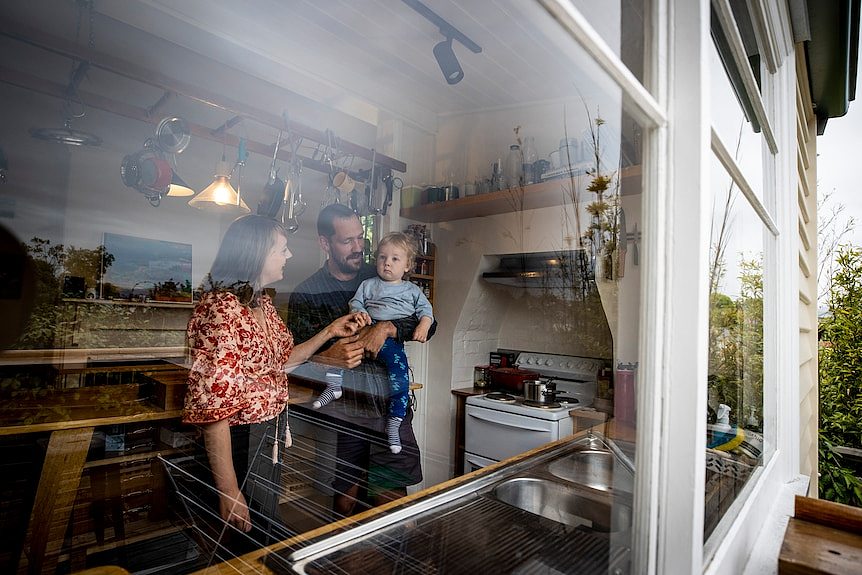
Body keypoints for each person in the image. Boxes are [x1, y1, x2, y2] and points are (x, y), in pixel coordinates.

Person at [182, 214, 368, 549]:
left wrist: (329, 331)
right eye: (282, 249)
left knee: (262, 539)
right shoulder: (220, 311)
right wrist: (228, 490)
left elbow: (281, 359)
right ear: (256, 254)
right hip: (238, 444)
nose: (289, 255)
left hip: (266, 437)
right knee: (248, 544)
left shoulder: (261, 303)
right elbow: (214, 410)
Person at [287, 203, 436, 516]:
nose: (358, 248)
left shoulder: (381, 272)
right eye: (347, 241)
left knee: (392, 498)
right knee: (344, 500)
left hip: (389, 405)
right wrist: (327, 357)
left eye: (361, 239)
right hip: (342, 413)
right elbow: (291, 362)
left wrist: (387, 327)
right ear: (324, 243)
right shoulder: (307, 293)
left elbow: (429, 324)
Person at [312, 232, 433, 455]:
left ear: (407, 265)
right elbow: (356, 302)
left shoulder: (412, 291)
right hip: (363, 332)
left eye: (395, 259)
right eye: (382, 257)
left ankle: (395, 420)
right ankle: (334, 387)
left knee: (400, 374)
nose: (387, 263)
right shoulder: (368, 284)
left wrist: (422, 326)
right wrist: (360, 314)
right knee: (341, 348)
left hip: (390, 343)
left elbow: (427, 313)